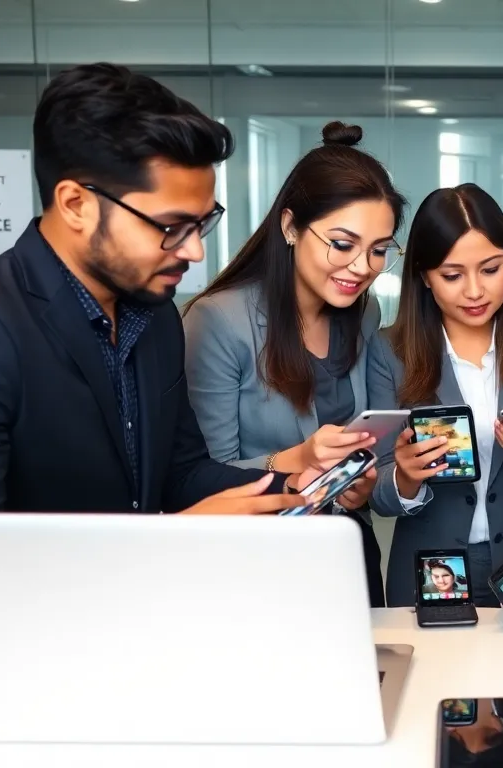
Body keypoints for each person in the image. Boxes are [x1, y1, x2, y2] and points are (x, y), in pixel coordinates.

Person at [0, 63, 318, 695]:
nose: (195, 251)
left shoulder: (154, 315)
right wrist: (171, 541)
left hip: (108, 658)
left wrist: (293, 484)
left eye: (202, 222)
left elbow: (178, 473)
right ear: (77, 204)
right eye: (172, 226)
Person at [183, 121, 401, 607]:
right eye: (343, 244)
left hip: (346, 551)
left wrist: (355, 485)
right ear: (289, 226)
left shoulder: (365, 312)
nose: (363, 267)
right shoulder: (219, 320)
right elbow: (202, 477)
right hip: (258, 562)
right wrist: (296, 461)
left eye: (379, 251)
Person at [366, 183, 503, 607]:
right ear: (425, 278)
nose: (474, 291)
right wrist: (406, 476)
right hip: (430, 568)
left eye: (490, 269)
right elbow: (378, 495)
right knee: (432, 673)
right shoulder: (389, 351)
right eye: (452, 275)